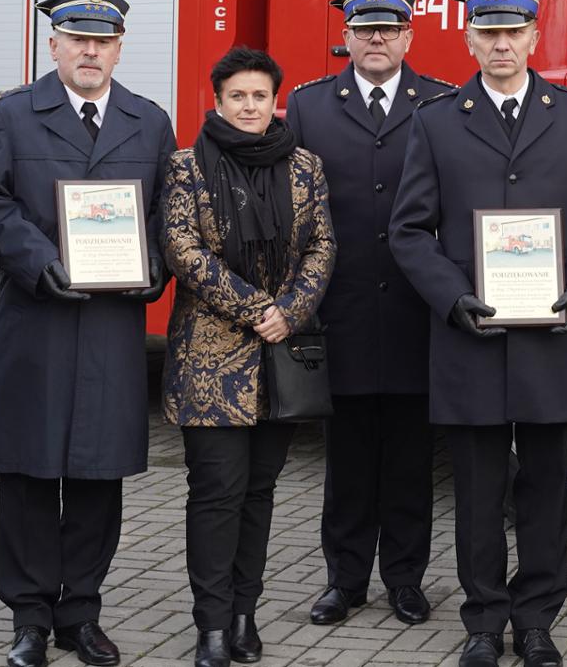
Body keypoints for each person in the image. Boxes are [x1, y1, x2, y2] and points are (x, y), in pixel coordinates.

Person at [388, 0, 567, 667]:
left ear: (533, 35)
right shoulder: (436, 121)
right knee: (477, 494)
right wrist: (451, 296)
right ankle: (485, 622)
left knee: (545, 492)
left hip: (552, 337)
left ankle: (536, 621)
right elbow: (409, 230)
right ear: (469, 38)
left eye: (513, 32)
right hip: (471, 339)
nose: (501, 44)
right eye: (488, 32)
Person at [0, 0, 176, 667]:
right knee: (30, 473)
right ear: (53, 45)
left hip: (112, 325)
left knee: (98, 473)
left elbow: (166, 213)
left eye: (102, 40)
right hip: (37, 319)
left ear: (119, 48)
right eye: (77, 39)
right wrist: (38, 261)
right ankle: (30, 617)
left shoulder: (149, 121)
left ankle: (81, 613)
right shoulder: (11, 114)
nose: (90, 51)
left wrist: (155, 266)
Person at [287, 0, 454, 629]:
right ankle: (345, 580)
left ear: (409, 36)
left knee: (411, 458)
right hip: (343, 308)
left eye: (388, 28)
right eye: (365, 28)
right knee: (349, 459)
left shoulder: (440, 102)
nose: (376, 38)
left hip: (416, 309)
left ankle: (405, 580)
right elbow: (296, 212)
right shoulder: (309, 107)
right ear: (347, 37)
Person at [160, 47, 335, 667]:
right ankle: (210, 624)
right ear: (218, 101)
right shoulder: (187, 167)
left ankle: (243, 615)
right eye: (237, 96)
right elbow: (182, 247)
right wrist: (258, 307)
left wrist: (291, 309)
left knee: (259, 493)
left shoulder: (305, 167)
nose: (249, 106)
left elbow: (321, 246)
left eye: (259, 96)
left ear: (274, 101)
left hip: (279, 360)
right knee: (216, 495)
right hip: (210, 363)